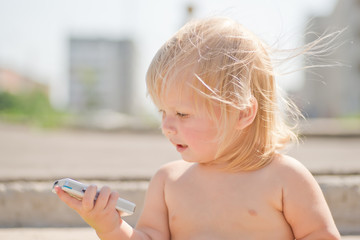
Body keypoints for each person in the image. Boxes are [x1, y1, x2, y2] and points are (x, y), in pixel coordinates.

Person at [55, 17, 341, 239]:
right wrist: (110, 227)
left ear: (242, 113)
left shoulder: (284, 178)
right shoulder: (168, 181)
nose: (166, 125)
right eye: (162, 112)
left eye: (182, 113)